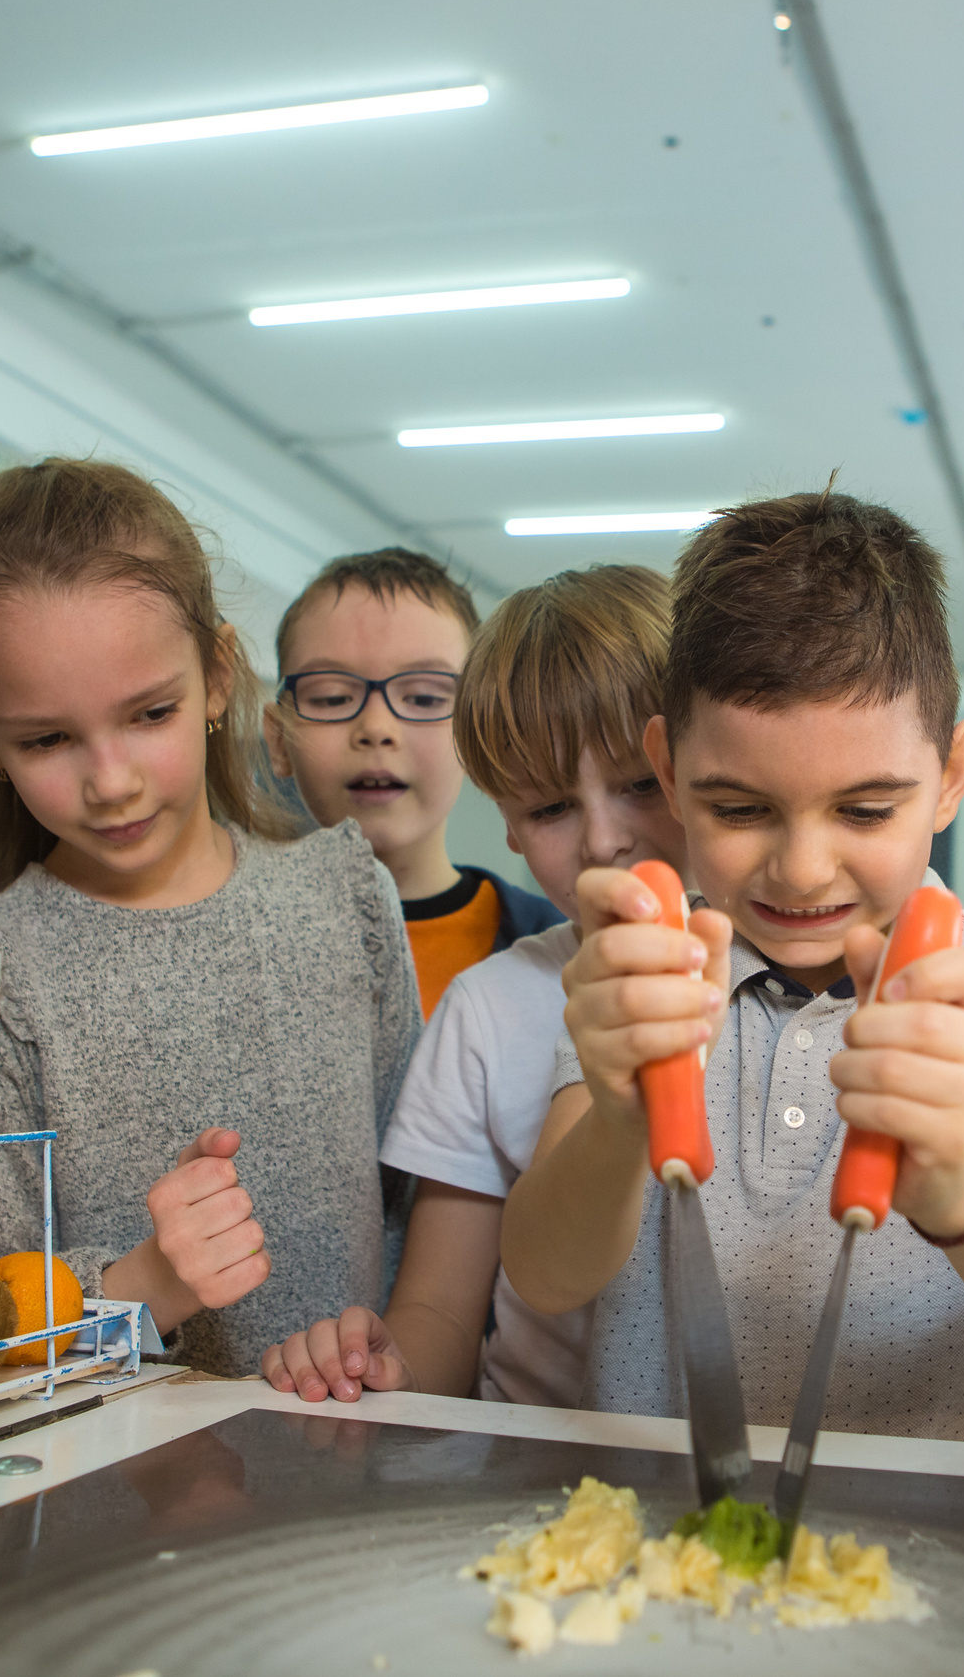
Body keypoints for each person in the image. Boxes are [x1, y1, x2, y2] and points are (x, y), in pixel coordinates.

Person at [501, 491, 964, 1444]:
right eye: (740, 809)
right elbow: (545, 1272)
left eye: (866, 811)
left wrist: (963, 1190)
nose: (800, 868)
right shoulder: (652, 970)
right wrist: (622, 1117)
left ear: (953, 776)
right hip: (667, 1545)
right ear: (667, 770)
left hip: (943, 1552)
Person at [0, 458, 420, 1376]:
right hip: (111, 1482)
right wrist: (150, 1281)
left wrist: (404, 1356)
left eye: (150, 713)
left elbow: (421, 1204)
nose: (111, 781)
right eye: (46, 739)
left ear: (219, 676)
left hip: (361, 1448)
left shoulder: (344, 894)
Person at [263, 564, 683, 1405]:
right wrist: (387, 1369)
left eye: (641, 785)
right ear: (511, 828)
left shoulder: (785, 974)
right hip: (541, 1489)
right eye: (551, 808)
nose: (605, 839)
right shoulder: (487, 1009)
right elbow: (441, 1313)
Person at [261, 548, 560, 1018]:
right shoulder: (230, 941)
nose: (377, 727)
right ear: (278, 739)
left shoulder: (559, 949)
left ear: (478, 731)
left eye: (423, 697)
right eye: (333, 697)